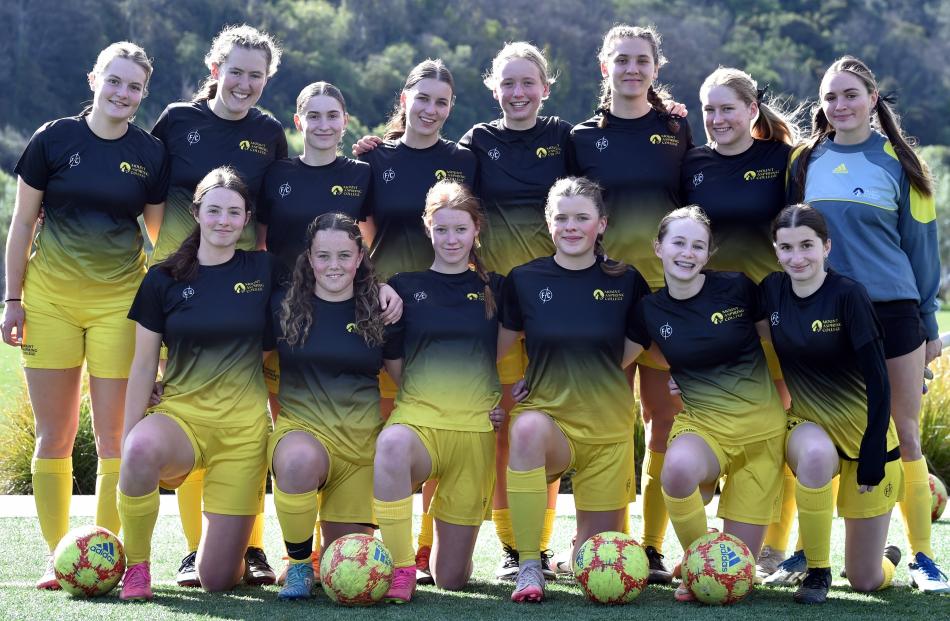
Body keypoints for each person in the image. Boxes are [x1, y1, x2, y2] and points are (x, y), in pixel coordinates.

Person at [1, 41, 167, 589]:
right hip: (48, 303)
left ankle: (109, 553)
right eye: (114, 81)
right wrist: (13, 299)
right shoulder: (53, 139)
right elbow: (22, 223)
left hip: (120, 305)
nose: (123, 93)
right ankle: (59, 557)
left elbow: (162, 238)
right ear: (94, 79)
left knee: (116, 438)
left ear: (143, 94)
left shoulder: (149, 153)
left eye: (134, 86)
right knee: (56, 435)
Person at [788, 55, 948, 594]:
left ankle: (925, 558)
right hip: (825, 314)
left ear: (873, 99)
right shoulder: (804, 162)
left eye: (850, 94)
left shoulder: (902, 165)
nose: (840, 105)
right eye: (830, 97)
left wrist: (928, 329)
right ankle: (803, 552)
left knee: (902, 433)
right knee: (818, 430)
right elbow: (792, 238)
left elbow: (922, 253)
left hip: (894, 313)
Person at [150, 23, 286, 586]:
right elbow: (152, 203)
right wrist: (176, 261)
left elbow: (269, 219)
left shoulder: (270, 133)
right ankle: (192, 548)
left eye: (257, 75)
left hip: (241, 294)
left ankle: (250, 546)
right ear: (215, 70)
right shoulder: (178, 119)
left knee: (244, 418)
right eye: (237, 71)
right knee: (188, 405)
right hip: (180, 290)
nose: (246, 83)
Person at [257, 82, 401, 583]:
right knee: (294, 448)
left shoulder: (362, 172)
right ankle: (290, 556)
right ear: (298, 121)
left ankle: (330, 548)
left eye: (332, 115)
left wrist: (380, 287)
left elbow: (375, 237)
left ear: (345, 121)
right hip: (286, 319)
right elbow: (257, 239)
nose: (322, 124)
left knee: (350, 558)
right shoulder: (275, 174)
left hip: (345, 309)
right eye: (312, 115)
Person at [568, 23, 692, 583]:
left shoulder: (678, 130)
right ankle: (601, 546)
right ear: (604, 68)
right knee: (608, 422)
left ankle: (651, 546)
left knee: (661, 423)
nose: (632, 69)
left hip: (668, 299)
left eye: (642, 60)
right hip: (603, 299)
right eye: (621, 60)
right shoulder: (581, 137)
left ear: (656, 69)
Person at [117, 167, 276, 600]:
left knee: (217, 581)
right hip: (182, 418)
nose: (223, 220)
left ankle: (233, 557)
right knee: (140, 448)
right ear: (196, 213)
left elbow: (329, 283)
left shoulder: (265, 270)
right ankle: (137, 567)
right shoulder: (163, 278)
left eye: (233, 212)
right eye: (214, 210)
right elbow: (144, 362)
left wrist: (385, 292)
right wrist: (131, 438)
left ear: (246, 219)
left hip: (243, 433)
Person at [500, 177, 651, 602]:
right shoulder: (524, 280)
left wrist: (585, 366)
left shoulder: (627, 280)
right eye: (561, 218)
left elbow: (633, 346)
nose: (571, 227)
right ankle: (529, 564)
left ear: (601, 224)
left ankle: (571, 557)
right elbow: (495, 349)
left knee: (596, 568)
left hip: (607, 433)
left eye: (581, 218)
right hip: (552, 423)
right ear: (548, 223)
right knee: (524, 428)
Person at [629, 206, 786, 603]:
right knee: (677, 469)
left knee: (738, 582)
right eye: (678, 242)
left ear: (708, 254)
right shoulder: (650, 309)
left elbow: (788, 341)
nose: (688, 252)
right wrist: (539, 376)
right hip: (705, 428)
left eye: (698, 245)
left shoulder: (738, 287)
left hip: (761, 438)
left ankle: (704, 561)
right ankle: (700, 563)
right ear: (658, 247)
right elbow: (609, 360)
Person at [681, 66, 800, 578]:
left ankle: (776, 546)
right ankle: (680, 543)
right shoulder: (693, 164)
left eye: (727, 107)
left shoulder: (783, 160)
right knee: (696, 426)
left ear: (753, 111)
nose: (716, 118)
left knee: (782, 422)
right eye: (708, 109)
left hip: (774, 314)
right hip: (711, 320)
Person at [457, 41, 569, 582]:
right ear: (493, 88)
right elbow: (431, 168)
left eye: (528, 83)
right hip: (497, 307)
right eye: (508, 83)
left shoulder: (565, 138)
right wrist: (376, 143)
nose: (518, 93)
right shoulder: (477, 141)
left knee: (541, 424)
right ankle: (511, 546)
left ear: (546, 88)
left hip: (556, 306)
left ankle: (540, 546)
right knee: (505, 429)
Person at [760, 204, 902, 604]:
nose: (797, 257)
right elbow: (731, 335)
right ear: (776, 250)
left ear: (826, 247)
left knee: (865, 581)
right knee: (817, 455)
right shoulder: (771, 290)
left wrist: (874, 447)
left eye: (807, 245)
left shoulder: (848, 295)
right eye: (786, 248)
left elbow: (878, 379)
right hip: (807, 424)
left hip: (867, 439)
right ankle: (817, 570)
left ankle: (887, 559)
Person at [373, 181, 503, 603]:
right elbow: (393, 357)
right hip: (420, 423)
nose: (451, 239)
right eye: (442, 229)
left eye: (460, 229)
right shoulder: (403, 287)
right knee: (391, 444)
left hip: (474, 433)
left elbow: (528, 344)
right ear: (427, 229)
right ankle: (400, 566)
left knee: (451, 580)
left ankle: (439, 538)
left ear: (476, 231)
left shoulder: (498, 289)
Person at [268, 212, 399, 600]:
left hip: (359, 450)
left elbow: (408, 382)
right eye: (323, 256)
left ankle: (320, 559)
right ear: (309, 258)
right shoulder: (284, 306)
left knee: (344, 568)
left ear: (360, 257)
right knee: (296, 462)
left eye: (344, 255)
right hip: (303, 433)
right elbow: (240, 357)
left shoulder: (379, 310)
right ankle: (296, 565)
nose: (333, 265)